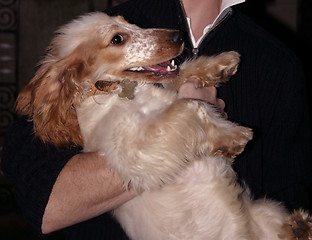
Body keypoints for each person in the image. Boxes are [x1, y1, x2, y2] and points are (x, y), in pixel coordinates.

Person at [1, 0, 311, 239]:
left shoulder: (279, 65)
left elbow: (293, 197)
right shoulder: (90, 38)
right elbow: (41, 203)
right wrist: (189, 126)